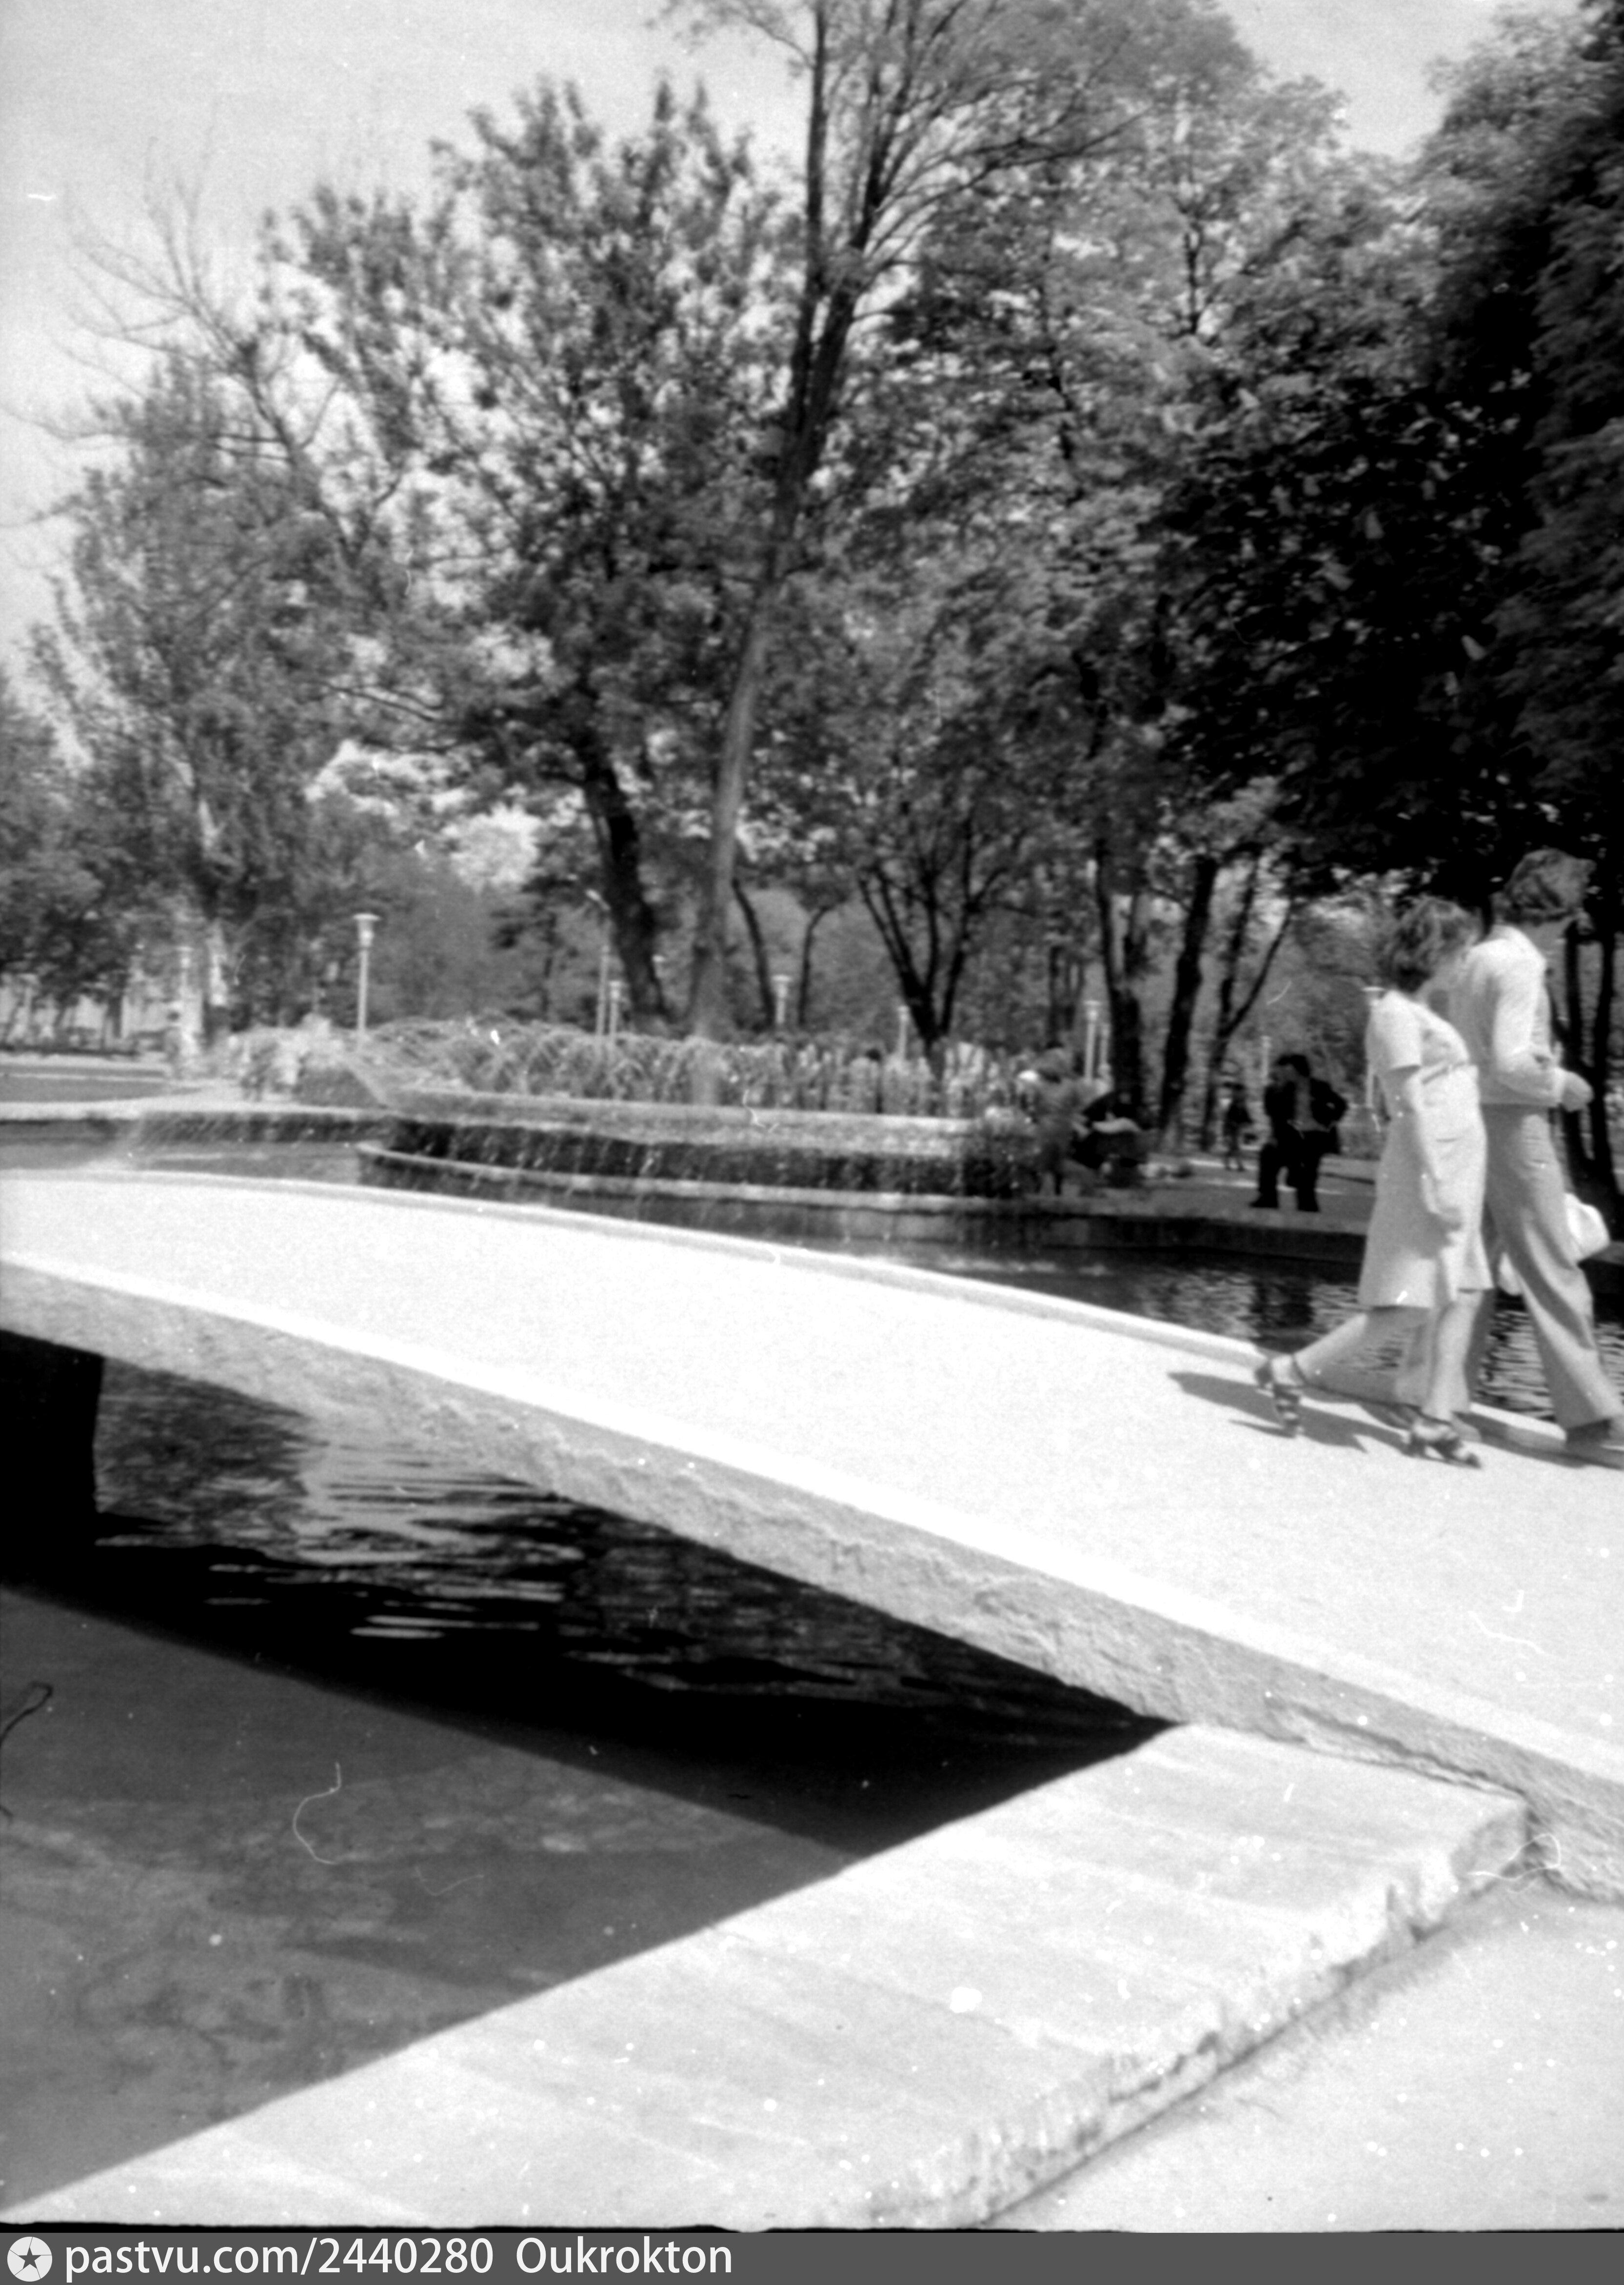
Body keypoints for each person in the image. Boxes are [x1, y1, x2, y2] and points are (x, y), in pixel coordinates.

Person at [1253, 899, 1489, 1464]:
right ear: (1434, 952)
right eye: (1460, 952)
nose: (1464, 963)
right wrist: (1435, 1181)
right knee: (1410, 1301)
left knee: (1466, 1292)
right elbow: (1409, 1106)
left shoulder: (1423, 1012)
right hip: (1430, 1169)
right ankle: (1294, 1369)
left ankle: (1435, 1418)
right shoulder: (1395, 1014)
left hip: (1457, 1168)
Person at [1447, 850, 1624, 1470]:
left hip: (1471, 1122)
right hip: (1517, 1128)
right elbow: (1511, 1060)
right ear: (1563, 912)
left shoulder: (1476, 957)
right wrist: (1562, 1086)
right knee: (1555, 1270)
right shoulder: (1521, 964)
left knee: (1470, 1267)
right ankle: (1592, 1421)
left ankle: (1442, 1398)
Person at [1249, 1052, 1347, 1212]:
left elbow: (1341, 1104)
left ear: (1298, 1070)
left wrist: (1330, 1122)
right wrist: (1274, 1137)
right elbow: (1276, 1115)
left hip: (1314, 1138)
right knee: (1268, 1155)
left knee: (1307, 1178)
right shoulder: (1285, 1089)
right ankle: (1268, 1197)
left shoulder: (1320, 1087)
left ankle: (1307, 1205)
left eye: (1289, 1070)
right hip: (1292, 1138)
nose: (1287, 1074)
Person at [1220, 1079, 1254, 1172]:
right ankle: (1240, 1165)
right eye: (1242, 1092)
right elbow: (1228, 1116)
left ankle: (1227, 1161)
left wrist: (1250, 1122)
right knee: (1235, 1146)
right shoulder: (1232, 1104)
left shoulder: (1242, 1104)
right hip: (1231, 1127)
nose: (1243, 1094)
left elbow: (1245, 1115)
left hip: (1237, 1127)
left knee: (1233, 1147)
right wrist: (1231, 1124)